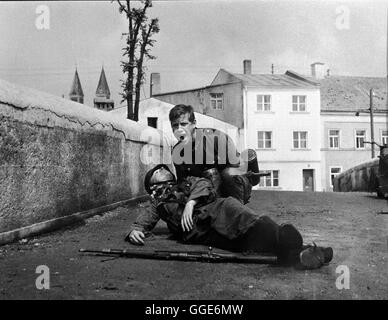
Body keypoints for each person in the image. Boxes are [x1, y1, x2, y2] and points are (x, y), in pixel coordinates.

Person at [125, 164, 333, 269]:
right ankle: (301, 250)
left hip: (219, 210)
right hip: (199, 231)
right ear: (153, 188)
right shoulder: (157, 203)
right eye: (158, 176)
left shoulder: (186, 182)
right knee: (246, 239)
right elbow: (146, 217)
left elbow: (204, 183)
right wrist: (137, 229)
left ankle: (299, 251)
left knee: (253, 229)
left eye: (164, 172)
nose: (164, 174)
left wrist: (190, 202)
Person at [169, 104, 260, 205]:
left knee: (224, 173)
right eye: (175, 125)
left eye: (183, 124)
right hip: (205, 190)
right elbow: (182, 181)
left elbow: (237, 169)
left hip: (235, 185)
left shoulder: (215, 138)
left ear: (194, 124)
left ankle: (238, 211)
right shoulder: (177, 151)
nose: (179, 129)